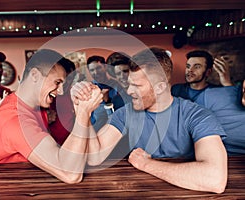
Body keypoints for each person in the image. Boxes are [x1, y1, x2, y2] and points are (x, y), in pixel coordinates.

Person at [71, 47, 227, 193]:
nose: (129, 91)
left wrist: (146, 164)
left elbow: (215, 180)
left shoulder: (197, 115)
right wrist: (83, 112)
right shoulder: (126, 113)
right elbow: (95, 157)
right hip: (142, 191)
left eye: (137, 85)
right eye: (129, 83)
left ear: (159, 88)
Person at [0, 49, 103, 184]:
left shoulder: (35, 106)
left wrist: (81, 110)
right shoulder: (15, 119)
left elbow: (91, 157)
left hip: (32, 184)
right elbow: (70, 175)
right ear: (35, 75)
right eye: (57, 82)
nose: (61, 91)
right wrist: (83, 113)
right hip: (10, 190)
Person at [87, 55, 122, 131]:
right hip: (94, 133)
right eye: (92, 70)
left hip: (115, 133)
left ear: (105, 67)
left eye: (98, 68)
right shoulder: (88, 89)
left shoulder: (118, 87)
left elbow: (120, 117)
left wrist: (107, 101)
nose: (96, 72)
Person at [47, 58, 77, 145]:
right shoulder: (48, 95)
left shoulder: (73, 94)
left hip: (70, 145)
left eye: (70, 78)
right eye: (64, 78)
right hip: (51, 145)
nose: (66, 82)